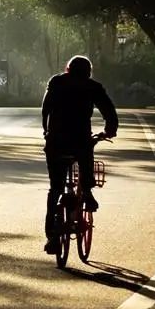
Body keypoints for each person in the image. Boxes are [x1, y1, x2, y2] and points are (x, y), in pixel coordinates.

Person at [42, 55, 118, 254]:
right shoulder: (93, 86)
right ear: (88, 72)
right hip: (80, 140)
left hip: (56, 142)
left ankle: (52, 236)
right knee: (85, 156)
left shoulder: (56, 82)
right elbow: (108, 110)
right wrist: (109, 130)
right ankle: (87, 192)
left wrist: (46, 131)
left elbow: (45, 108)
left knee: (55, 188)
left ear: (68, 69)